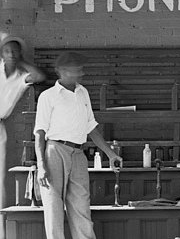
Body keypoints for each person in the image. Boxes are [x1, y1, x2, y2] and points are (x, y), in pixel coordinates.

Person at [34, 52, 121, 239]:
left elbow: (91, 127)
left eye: (81, 69)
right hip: (54, 151)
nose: (81, 73)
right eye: (77, 69)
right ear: (63, 71)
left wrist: (111, 154)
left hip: (78, 153)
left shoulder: (83, 92)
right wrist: (41, 166)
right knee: (53, 208)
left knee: (81, 206)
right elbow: (39, 132)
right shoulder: (48, 96)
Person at [0, 34, 45, 209]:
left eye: (14, 51)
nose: (10, 54)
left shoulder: (21, 76)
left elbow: (39, 76)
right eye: (7, 51)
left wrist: (22, 61)